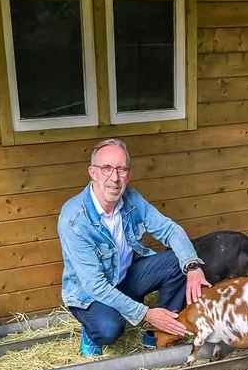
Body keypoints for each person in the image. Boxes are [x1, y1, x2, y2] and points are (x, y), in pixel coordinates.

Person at [57, 138, 211, 358]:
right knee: (109, 330)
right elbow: (95, 285)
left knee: (178, 261)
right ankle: (91, 330)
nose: (114, 177)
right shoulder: (74, 219)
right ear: (93, 173)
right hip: (90, 295)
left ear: (128, 175)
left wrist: (193, 266)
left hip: (125, 277)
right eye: (107, 168)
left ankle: (157, 332)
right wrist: (146, 313)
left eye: (121, 169)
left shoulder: (131, 199)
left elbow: (170, 230)